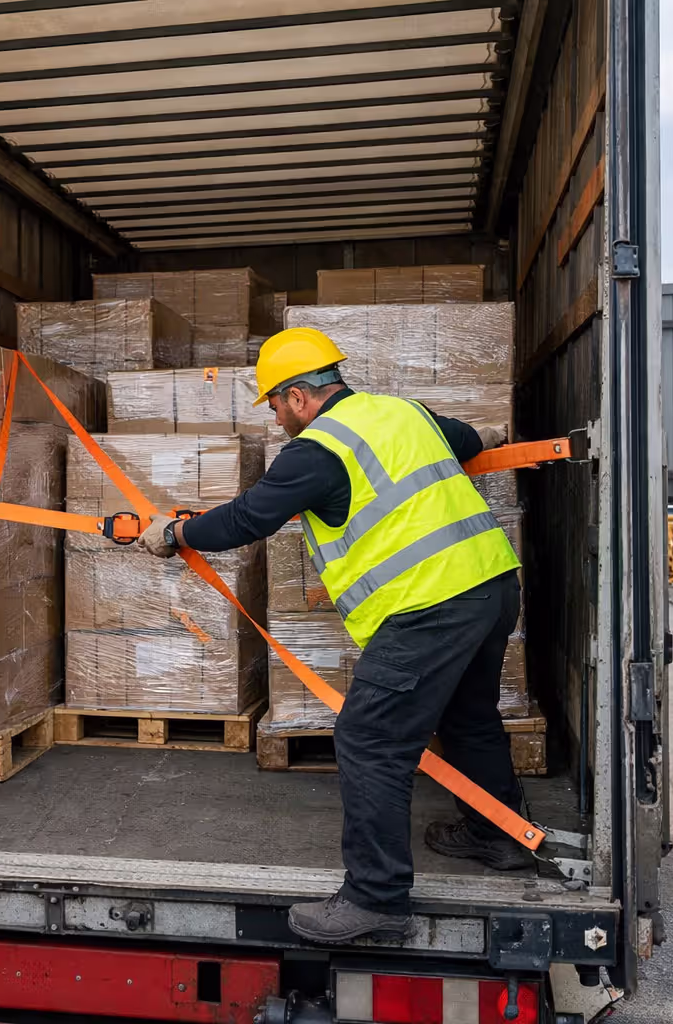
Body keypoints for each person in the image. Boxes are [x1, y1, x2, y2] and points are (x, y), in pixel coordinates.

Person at [138, 327, 526, 944]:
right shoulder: (403, 412)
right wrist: (494, 438)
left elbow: (248, 518)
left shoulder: (317, 450)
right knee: (468, 715)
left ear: (298, 396)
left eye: (273, 404)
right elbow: (469, 438)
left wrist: (175, 535)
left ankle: (376, 900)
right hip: (491, 583)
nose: (274, 417)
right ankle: (498, 834)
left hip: (426, 606)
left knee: (370, 739)